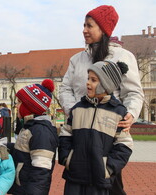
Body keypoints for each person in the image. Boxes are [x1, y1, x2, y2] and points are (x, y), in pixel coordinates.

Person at [59, 5, 144, 195]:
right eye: (84, 25)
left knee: (110, 187)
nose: (84, 30)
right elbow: (65, 88)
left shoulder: (124, 56)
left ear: (103, 29)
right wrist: (76, 112)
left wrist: (129, 114)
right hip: (80, 133)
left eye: (89, 25)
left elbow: (134, 93)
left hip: (107, 135)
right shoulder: (77, 59)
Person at [59, 61, 133, 195]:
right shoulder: (78, 108)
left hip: (99, 180)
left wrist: (108, 168)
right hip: (75, 178)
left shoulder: (118, 112)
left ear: (106, 84)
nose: (88, 83)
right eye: (88, 79)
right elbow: (66, 134)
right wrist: (67, 159)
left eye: (93, 80)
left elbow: (124, 144)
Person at [8, 79, 59, 195]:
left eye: (19, 102)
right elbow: (23, 153)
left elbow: (41, 173)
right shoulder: (30, 127)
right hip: (22, 188)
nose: (16, 105)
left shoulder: (41, 132)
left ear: (29, 106)